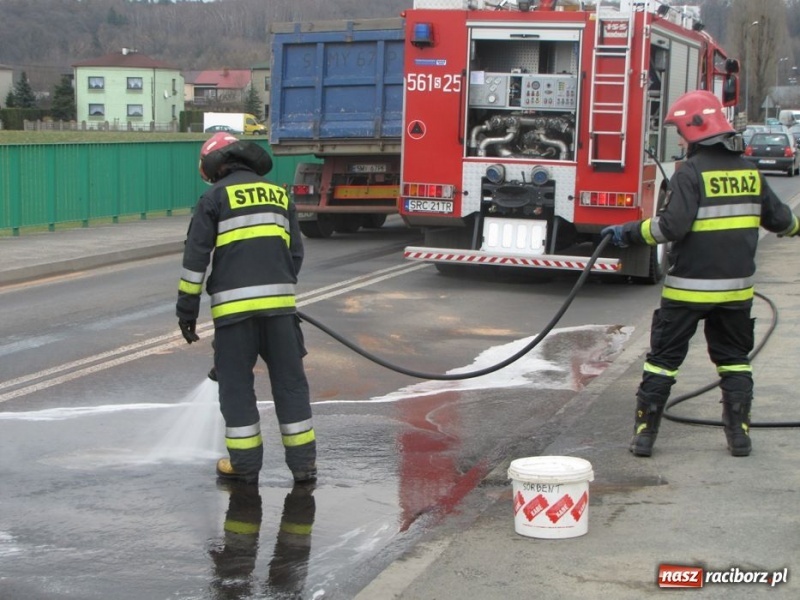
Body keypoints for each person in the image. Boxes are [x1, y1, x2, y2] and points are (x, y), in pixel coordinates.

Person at [602, 90, 800, 458]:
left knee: (662, 364)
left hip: (687, 293)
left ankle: (644, 437)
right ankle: (739, 438)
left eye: (680, 132)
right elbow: (780, 220)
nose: (679, 140)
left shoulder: (691, 173)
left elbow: (671, 227)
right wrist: (796, 227)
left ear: (695, 130)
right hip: (735, 294)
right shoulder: (750, 171)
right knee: (735, 361)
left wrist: (628, 233)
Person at [176, 131, 317, 484]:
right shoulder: (278, 195)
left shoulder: (213, 198)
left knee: (236, 387)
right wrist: (277, 290)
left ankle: (244, 464)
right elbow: (295, 253)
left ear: (214, 165)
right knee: (291, 385)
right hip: (281, 313)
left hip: (234, 316)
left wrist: (187, 312)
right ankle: (303, 465)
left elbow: (195, 261)